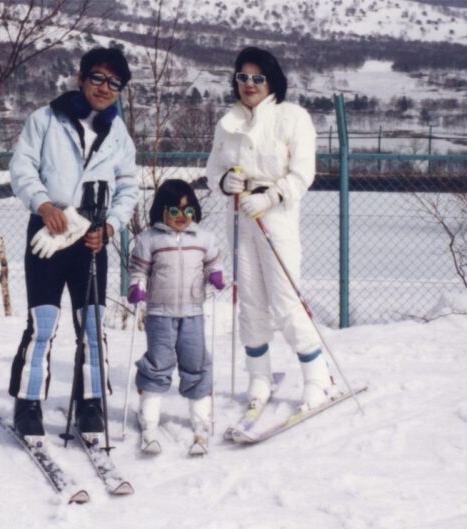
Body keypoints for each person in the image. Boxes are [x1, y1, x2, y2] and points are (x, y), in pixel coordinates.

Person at [7, 47, 139, 441]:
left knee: (92, 325)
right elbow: (22, 167)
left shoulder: (118, 133)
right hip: (48, 231)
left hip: (91, 238)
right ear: (81, 78)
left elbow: (128, 186)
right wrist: (43, 203)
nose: (104, 88)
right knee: (43, 322)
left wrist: (111, 227)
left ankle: (91, 401)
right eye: (97, 77)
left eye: (114, 83)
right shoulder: (46, 119)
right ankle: (28, 403)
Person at [205, 46, 333, 413]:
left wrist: (272, 195)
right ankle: (259, 374)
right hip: (240, 219)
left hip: (275, 217)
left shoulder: (291, 117)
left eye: (257, 78)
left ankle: (316, 375)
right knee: (249, 302)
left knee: (284, 298)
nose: (249, 84)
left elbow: (303, 173)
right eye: (242, 77)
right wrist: (223, 182)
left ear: (271, 81)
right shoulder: (228, 122)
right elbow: (213, 169)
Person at [127, 179, 224, 452]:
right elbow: (138, 270)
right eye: (175, 211)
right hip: (159, 312)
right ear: (161, 211)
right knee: (159, 362)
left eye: (189, 211)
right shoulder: (149, 240)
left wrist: (215, 275)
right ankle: (149, 415)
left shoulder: (204, 239)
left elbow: (214, 261)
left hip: (193, 312)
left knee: (196, 361)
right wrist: (137, 286)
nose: (182, 217)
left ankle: (201, 417)